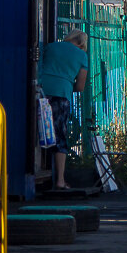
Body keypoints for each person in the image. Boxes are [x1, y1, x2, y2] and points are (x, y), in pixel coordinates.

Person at [39, 29, 89, 190]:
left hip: (40, 92)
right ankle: (60, 180)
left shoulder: (51, 47)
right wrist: (66, 83)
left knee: (36, 130)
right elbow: (80, 86)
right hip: (61, 95)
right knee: (59, 136)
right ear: (82, 43)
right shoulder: (82, 56)